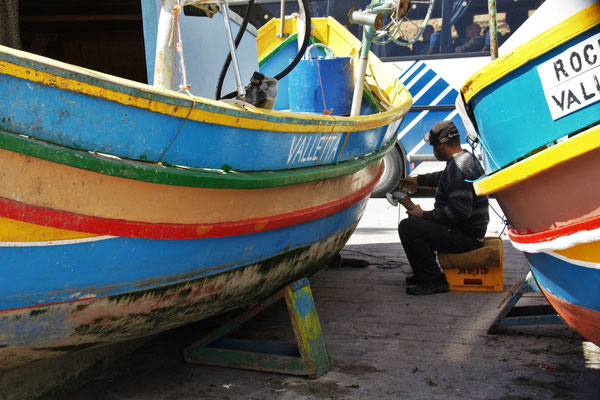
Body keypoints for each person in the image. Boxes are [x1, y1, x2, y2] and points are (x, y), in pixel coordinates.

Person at [397, 121, 489, 295]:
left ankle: (433, 280)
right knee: (414, 224)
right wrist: (418, 180)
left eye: (433, 146)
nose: (434, 151)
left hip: (466, 236)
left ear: (441, 145)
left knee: (408, 227)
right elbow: (445, 177)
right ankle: (424, 272)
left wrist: (423, 214)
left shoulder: (459, 168)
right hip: (468, 232)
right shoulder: (465, 158)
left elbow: (458, 212)